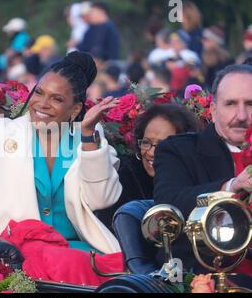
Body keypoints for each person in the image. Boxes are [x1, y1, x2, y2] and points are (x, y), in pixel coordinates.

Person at [0, 51, 123, 255]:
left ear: (74, 110)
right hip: (15, 255)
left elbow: (101, 199)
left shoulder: (89, 140)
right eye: (39, 92)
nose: (42, 104)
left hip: (78, 254)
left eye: (56, 99)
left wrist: (89, 135)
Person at [153, 64, 252, 273]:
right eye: (231, 104)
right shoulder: (177, 150)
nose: (242, 115)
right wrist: (232, 186)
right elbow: (169, 205)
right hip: (206, 272)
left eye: (250, 104)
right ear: (214, 111)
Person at [103, 104, 200, 273]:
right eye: (146, 143)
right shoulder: (126, 177)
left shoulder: (195, 183)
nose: (152, 153)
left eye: (163, 145)